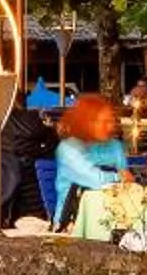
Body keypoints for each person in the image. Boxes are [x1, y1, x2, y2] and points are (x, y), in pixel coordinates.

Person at [50, 93, 129, 225]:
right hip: (74, 222)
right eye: (103, 122)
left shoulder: (115, 146)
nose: (110, 127)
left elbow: (128, 185)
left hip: (115, 216)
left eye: (111, 121)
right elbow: (94, 180)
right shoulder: (69, 148)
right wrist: (119, 177)